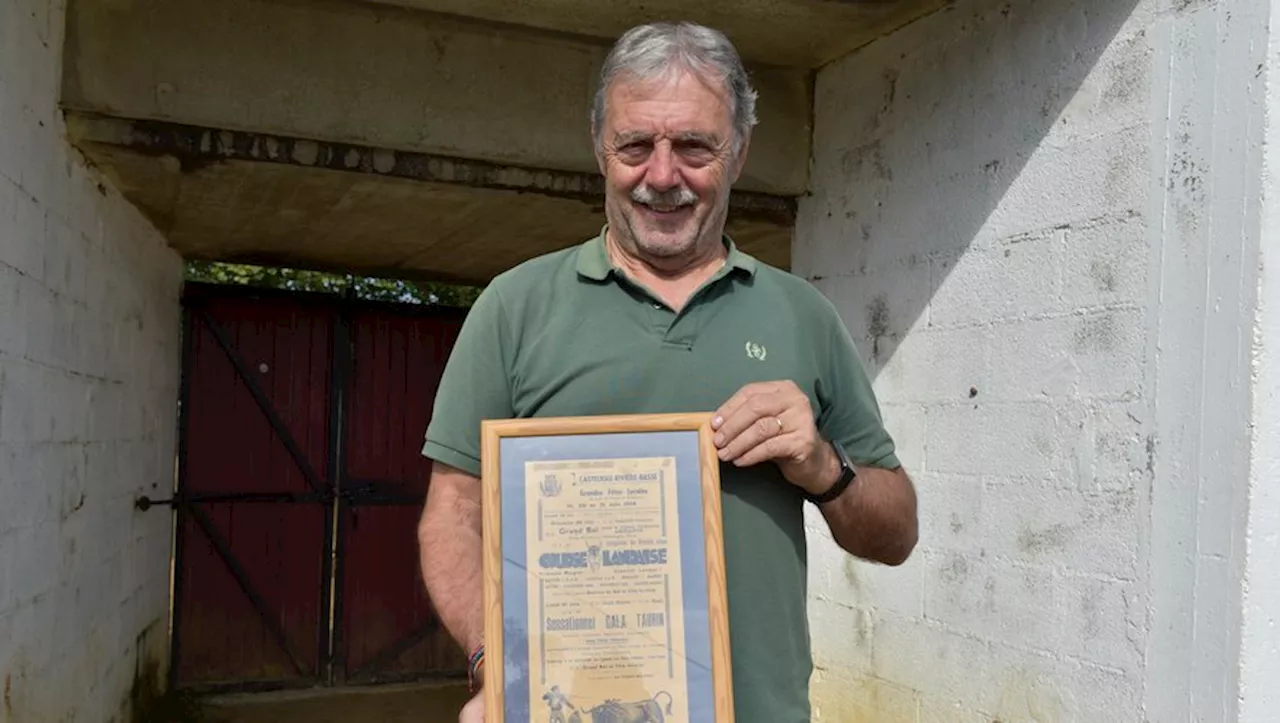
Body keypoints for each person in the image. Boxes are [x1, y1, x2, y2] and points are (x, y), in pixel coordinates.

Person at [416, 20, 918, 723]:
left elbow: (895, 534)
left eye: (693, 146)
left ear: (737, 154)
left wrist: (822, 464)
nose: (661, 175)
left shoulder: (803, 315)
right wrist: (494, 666)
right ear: (600, 149)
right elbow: (452, 516)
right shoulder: (514, 307)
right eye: (635, 145)